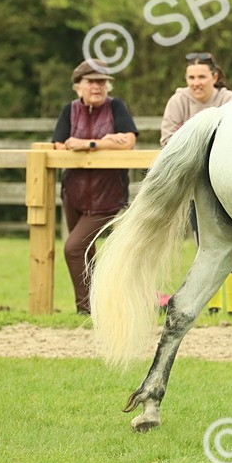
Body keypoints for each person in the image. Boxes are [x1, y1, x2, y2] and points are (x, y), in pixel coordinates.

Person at [161, 51, 232, 316]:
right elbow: (166, 140)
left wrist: (193, 141)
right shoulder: (178, 101)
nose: (196, 83)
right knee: (205, 247)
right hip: (195, 186)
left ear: (214, 77)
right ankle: (213, 308)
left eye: (201, 77)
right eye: (191, 78)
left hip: (227, 184)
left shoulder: (228, 100)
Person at [51, 60, 138, 315]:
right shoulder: (69, 110)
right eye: (91, 82)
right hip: (73, 194)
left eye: (102, 82)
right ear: (78, 86)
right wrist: (105, 141)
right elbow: (60, 144)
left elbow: (128, 141)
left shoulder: (116, 107)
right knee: (85, 252)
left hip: (107, 195)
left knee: (73, 247)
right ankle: (98, 306)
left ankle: (86, 309)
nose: (97, 87)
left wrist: (90, 144)